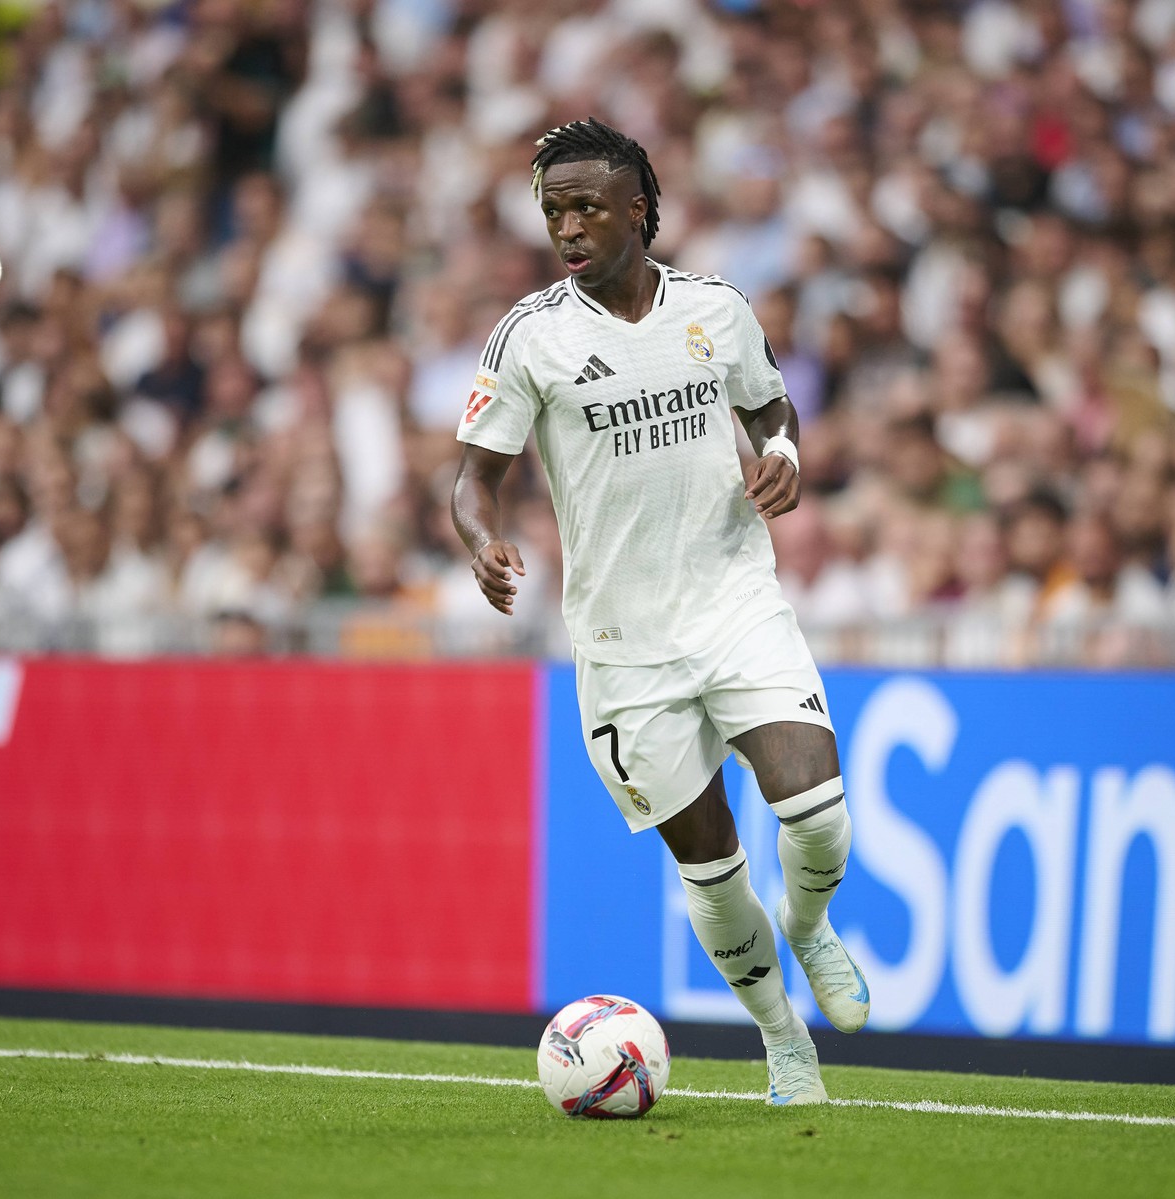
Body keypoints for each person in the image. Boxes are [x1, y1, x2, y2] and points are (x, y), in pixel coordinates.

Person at [451, 119, 866, 1107]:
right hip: (622, 645)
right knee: (714, 863)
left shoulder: (716, 309)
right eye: (554, 210)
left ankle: (809, 924)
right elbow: (474, 479)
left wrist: (788, 458)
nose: (569, 226)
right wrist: (482, 541)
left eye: (587, 205)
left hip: (732, 596)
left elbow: (770, 407)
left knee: (818, 811)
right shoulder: (531, 335)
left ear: (640, 205)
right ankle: (784, 1041)